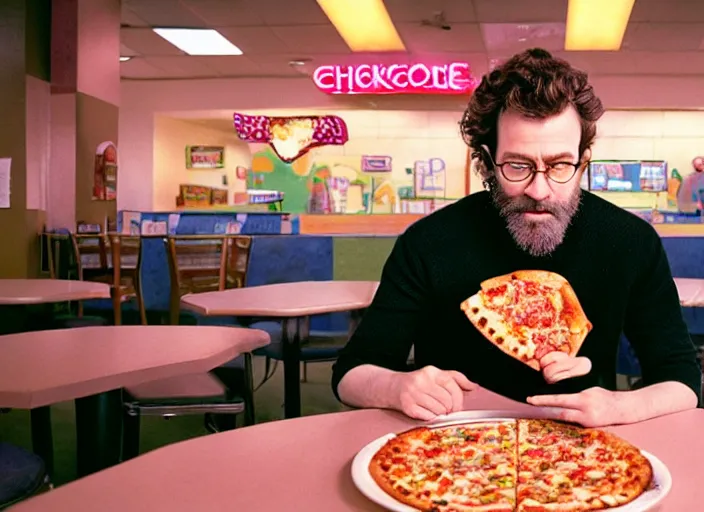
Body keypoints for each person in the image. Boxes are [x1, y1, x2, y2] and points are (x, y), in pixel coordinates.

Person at [331, 48, 701, 427]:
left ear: (583, 160)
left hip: (583, 454)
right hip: (451, 449)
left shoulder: (631, 241)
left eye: (560, 165)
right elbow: (351, 374)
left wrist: (620, 407)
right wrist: (396, 386)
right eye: (518, 165)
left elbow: (682, 380)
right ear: (488, 161)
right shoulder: (428, 242)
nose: (539, 189)